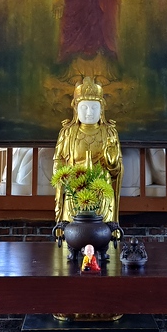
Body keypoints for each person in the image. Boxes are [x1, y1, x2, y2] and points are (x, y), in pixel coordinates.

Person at [53, 76, 123, 224]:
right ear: (76, 109)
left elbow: (116, 170)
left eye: (94, 107)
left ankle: (106, 233)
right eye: (84, 107)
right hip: (75, 185)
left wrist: (112, 161)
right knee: (74, 228)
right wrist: (62, 177)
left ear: (102, 109)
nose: (89, 112)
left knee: (102, 226)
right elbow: (58, 161)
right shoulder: (68, 132)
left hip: (101, 186)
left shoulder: (109, 133)